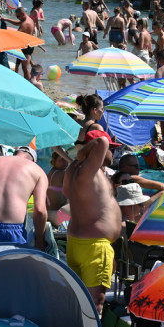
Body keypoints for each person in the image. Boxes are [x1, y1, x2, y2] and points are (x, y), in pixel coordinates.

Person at [63, 130, 122, 314]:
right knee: (94, 307)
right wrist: (82, 151)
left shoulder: (73, 170)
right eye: (112, 149)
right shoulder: (88, 171)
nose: (112, 153)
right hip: (93, 247)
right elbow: (103, 141)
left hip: (77, 243)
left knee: (78, 304)